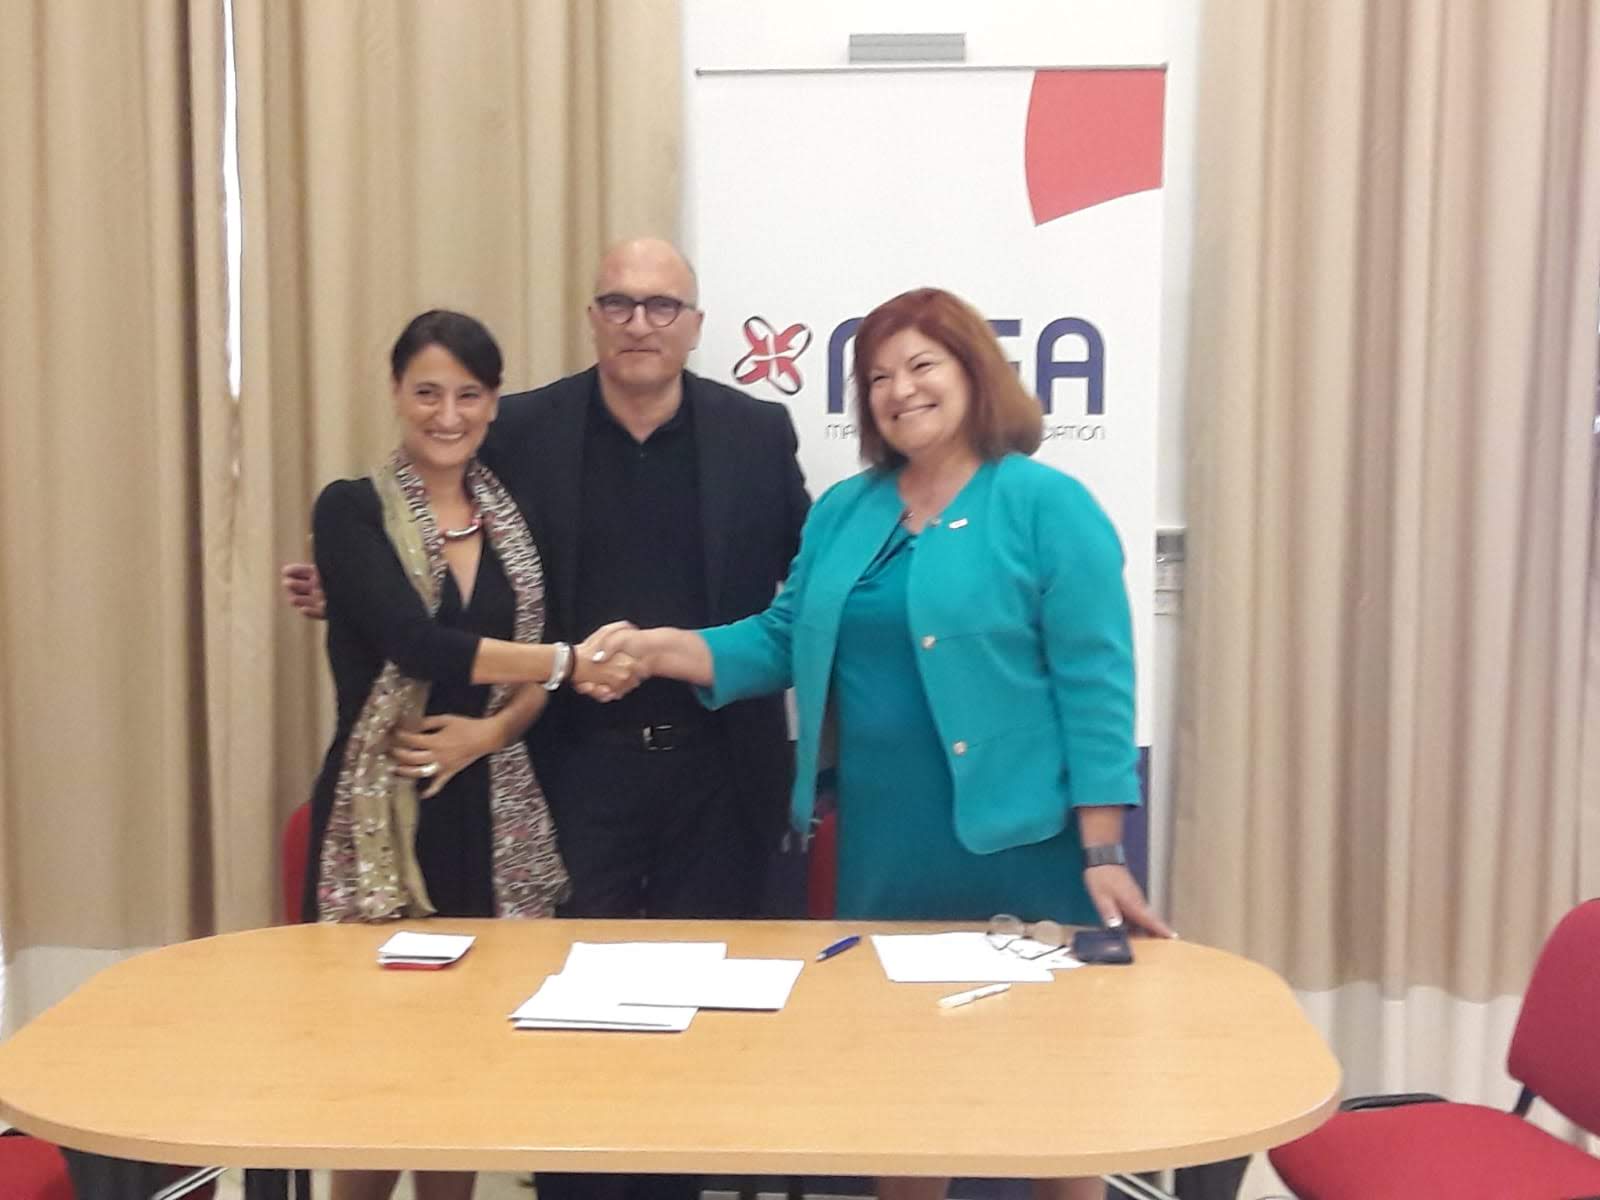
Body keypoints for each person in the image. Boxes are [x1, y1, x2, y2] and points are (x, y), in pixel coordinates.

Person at [585, 287, 1175, 1200]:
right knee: (901, 1099)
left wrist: (1103, 851)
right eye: (878, 377)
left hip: (1026, 850)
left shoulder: (1046, 504)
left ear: (974, 372)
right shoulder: (844, 512)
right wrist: (664, 649)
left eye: (922, 366)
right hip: (887, 853)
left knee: (1055, 1106)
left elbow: (1095, 683)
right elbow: (780, 638)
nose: (901, 390)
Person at [284, 241, 809, 1200]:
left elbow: (810, 586)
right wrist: (347, 591)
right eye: (620, 303)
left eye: (662, 306)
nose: (640, 323)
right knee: (560, 1019)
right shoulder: (521, 428)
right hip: (568, 767)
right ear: (592, 316)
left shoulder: (756, 432)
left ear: (695, 324)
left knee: (699, 1020)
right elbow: (444, 575)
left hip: (716, 772)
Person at [304, 310, 632, 1200]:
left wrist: (490, 733)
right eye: (427, 392)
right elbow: (419, 645)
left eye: (468, 395)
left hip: (487, 811)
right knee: (378, 1076)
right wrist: (566, 664)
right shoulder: (350, 510)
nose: (447, 415)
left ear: (493, 403)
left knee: (461, 1071)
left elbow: (529, 674)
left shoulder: (514, 518)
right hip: (386, 813)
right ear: (395, 393)